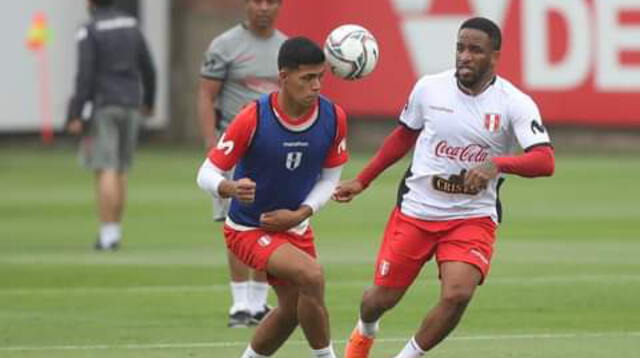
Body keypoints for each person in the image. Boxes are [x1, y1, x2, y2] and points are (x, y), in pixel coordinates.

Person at [334, 17, 555, 358]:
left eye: (475, 50)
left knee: (457, 294)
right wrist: (363, 179)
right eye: (460, 48)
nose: (465, 56)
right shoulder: (429, 89)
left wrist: (497, 163)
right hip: (418, 210)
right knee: (379, 300)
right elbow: (402, 137)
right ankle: (365, 330)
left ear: (494, 57)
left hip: (472, 216)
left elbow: (545, 161)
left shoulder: (514, 102)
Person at [197, 37, 348, 358]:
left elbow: (330, 179)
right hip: (250, 229)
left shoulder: (333, 118)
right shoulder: (253, 117)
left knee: (292, 310)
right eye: (307, 78)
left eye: (320, 77)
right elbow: (206, 172)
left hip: (295, 227)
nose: (316, 86)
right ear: (283, 77)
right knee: (312, 276)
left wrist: (301, 214)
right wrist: (229, 188)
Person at [197, 0, 286, 327]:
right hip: (234, 148)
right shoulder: (224, 45)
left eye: (271, 2)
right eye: (256, 1)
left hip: (273, 152)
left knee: (266, 223)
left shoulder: (285, 49)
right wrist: (211, 144)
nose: (263, 8)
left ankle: (259, 303)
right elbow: (206, 95)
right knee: (233, 224)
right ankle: (239, 305)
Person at [66, 0, 155, 251]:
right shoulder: (131, 24)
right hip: (130, 102)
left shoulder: (89, 29)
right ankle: (115, 229)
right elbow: (148, 67)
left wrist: (75, 113)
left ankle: (107, 234)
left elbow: (85, 73)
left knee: (105, 166)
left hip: (104, 103)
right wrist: (149, 100)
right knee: (121, 168)